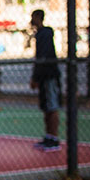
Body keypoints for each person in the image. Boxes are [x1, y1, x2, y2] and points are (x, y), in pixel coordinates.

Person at [29, 9, 62, 152]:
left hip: (49, 76)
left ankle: (54, 139)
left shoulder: (46, 34)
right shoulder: (40, 35)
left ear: (38, 17)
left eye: (33, 17)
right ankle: (49, 136)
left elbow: (43, 58)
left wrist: (36, 76)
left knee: (52, 106)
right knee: (46, 107)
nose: (32, 20)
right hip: (44, 77)